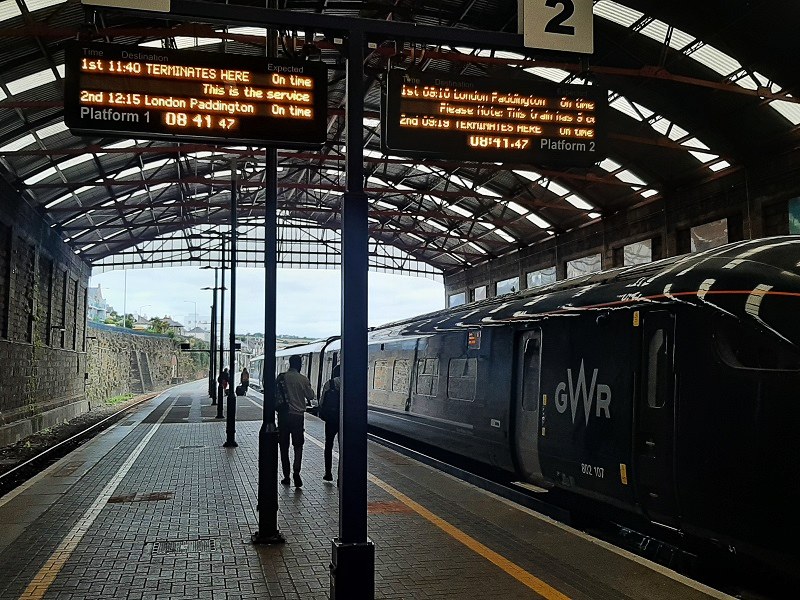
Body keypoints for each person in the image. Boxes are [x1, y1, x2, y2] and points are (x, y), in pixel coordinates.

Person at [276, 354, 315, 488]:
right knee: (298, 446)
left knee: (284, 446)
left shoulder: (282, 378)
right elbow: (310, 396)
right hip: (298, 417)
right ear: (299, 365)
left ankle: (286, 475)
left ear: (289, 364)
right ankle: (296, 471)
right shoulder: (303, 379)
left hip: (283, 416)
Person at [318, 364, 341, 482]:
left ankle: (328, 473)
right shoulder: (348, 383)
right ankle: (340, 478)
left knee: (328, 445)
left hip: (331, 419)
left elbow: (321, 401)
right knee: (343, 448)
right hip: (343, 420)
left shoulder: (329, 383)